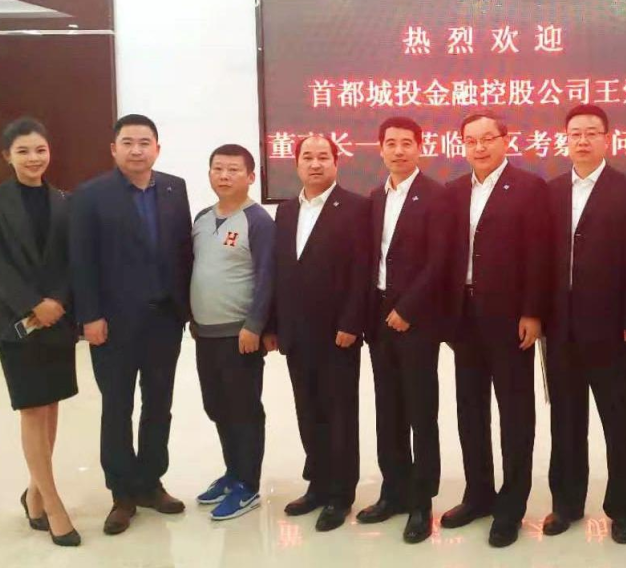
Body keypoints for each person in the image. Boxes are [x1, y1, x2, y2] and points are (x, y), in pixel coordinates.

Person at [70, 114, 193, 535]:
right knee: (117, 407)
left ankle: (150, 482)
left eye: (145, 142)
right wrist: (89, 316)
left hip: (164, 319)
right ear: (113, 149)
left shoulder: (175, 188)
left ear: (157, 148)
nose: (136, 150)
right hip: (113, 323)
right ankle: (122, 494)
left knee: (159, 404)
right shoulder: (90, 195)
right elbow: (81, 260)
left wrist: (186, 309)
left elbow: (182, 251)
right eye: (128, 142)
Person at [542, 104, 626, 545]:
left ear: (607, 138)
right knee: (565, 420)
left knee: (617, 421)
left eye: (592, 132)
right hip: (560, 329)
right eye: (575, 133)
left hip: (612, 330)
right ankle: (566, 503)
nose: (583, 140)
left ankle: (623, 510)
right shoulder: (550, 191)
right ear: (565, 140)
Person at [441, 111, 551, 548]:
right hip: (463, 316)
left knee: (515, 412)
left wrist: (532, 311)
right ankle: (478, 494)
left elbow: (540, 254)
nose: (480, 147)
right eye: (471, 140)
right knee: (470, 409)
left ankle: (511, 504)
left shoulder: (529, 187)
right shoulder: (453, 191)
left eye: (488, 138)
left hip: (510, 318)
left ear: (506, 140)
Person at [0, 117, 80, 547]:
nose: (34, 158)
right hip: (16, 322)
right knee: (32, 409)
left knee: (51, 405)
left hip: (57, 319)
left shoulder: (64, 200)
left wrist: (57, 301)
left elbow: (71, 259)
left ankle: (34, 492)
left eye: (40, 149)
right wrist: (34, 304)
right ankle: (53, 503)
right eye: (23, 151)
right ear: (7, 157)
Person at [358, 117, 450, 544]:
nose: (398, 150)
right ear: (380, 149)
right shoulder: (375, 196)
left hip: (416, 320)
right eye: (391, 143)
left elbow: (440, 260)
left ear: (420, 147)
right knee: (388, 409)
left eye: (406, 143)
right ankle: (393, 491)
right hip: (378, 319)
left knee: (420, 411)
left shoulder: (436, 195)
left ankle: (421, 501)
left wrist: (408, 308)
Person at [271, 134, 369, 533]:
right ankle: (318, 484)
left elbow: (362, 270)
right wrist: (275, 325)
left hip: (337, 332)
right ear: (296, 164)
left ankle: (340, 494)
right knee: (308, 409)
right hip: (297, 331)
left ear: (336, 162)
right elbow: (281, 270)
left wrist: (352, 322)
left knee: (339, 412)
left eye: (323, 157)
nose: (315, 164)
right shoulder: (286, 210)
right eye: (307, 157)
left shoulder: (356, 207)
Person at [190, 144, 275, 521]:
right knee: (217, 406)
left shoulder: (258, 221)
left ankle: (248, 486)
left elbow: (268, 277)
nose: (224, 176)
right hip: (205, 334)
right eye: (218, 169)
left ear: (251, 176)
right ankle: (232, 472)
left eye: (233, 170)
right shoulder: (202, 218)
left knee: (244, 410)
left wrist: (255, 324)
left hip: (240, 335)